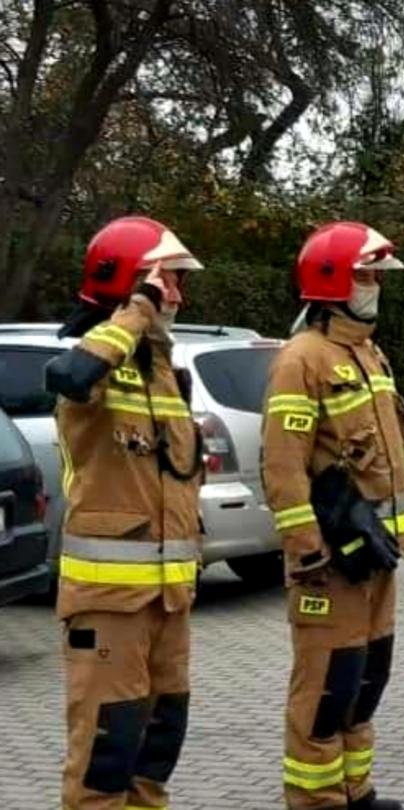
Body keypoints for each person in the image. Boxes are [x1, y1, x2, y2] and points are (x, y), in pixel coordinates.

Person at [44, 216, 205, 810]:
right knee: (105, 754)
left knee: (159, 740)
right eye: (166, 282)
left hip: (169, 598)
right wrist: (134, 312)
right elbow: (74, 374)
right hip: (107, 604)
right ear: (132, 287)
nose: (176, 297)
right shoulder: (89, 369)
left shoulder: (163, 374)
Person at [264, 221, 404, 810]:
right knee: (327, 685)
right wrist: (305, 548)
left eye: (377, 275)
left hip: (373, 554)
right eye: (366, 274)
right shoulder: (301, 360)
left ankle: (355, 791)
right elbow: (283, 465)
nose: (375, 285)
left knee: (365, 678)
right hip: (330, 559)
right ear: (331, 280)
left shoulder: (368, 354)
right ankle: (315, 800)